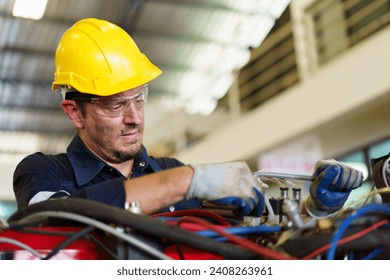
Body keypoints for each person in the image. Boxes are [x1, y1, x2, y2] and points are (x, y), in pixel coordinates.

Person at [13, 18, 363, 219]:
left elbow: (251, 226)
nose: (134, 118)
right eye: (115, 106)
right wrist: (184, 182)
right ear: (75, 112)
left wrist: (311, 207)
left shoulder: (171, 169)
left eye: (139, 99)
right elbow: (53, 221)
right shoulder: (43, 172)